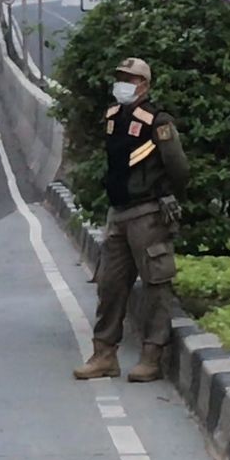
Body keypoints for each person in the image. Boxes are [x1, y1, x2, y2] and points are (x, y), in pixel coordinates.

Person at [74, 58, 189, 383]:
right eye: (121, 77)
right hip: (119, 214)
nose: (124, 83)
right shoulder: (113, 117)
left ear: (145, 85)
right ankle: (104, 354)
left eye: (131, 78)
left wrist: (165, 194)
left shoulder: (158, 121)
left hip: (148, 213)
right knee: (110, 285)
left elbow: (179, 167)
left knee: (156, 285)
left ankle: (152, 357)